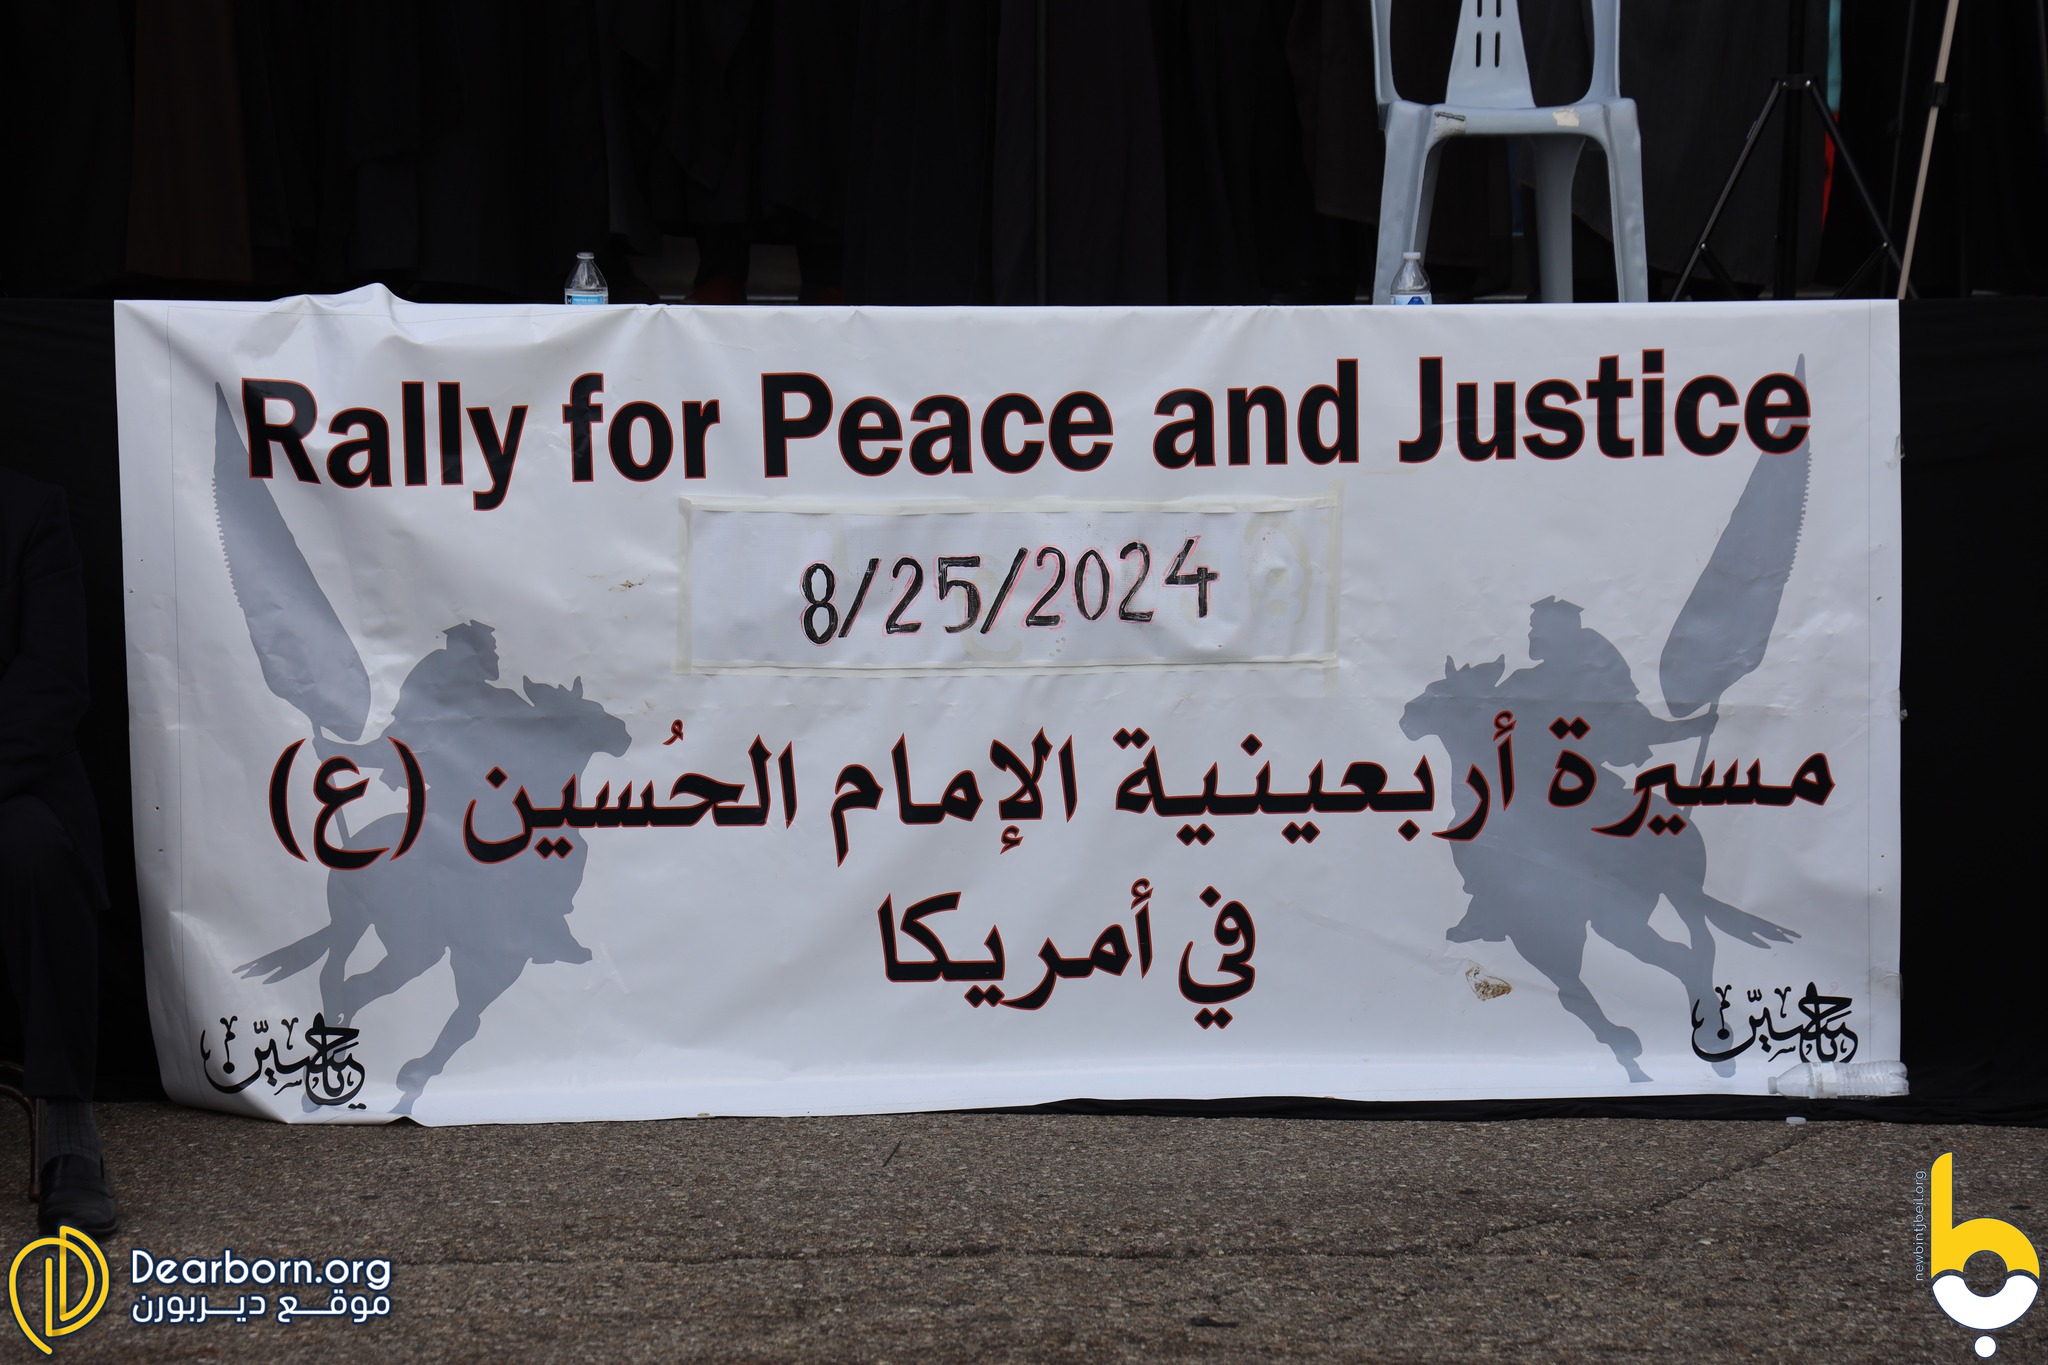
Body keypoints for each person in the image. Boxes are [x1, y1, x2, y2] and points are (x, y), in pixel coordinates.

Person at [0, 466, 115, 1236]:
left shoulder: (29, 510)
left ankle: (69, 1129)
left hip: (13, 776)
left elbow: (53, 680)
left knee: (39, 852)